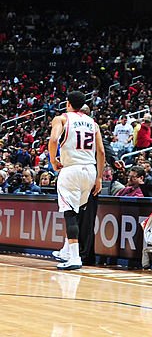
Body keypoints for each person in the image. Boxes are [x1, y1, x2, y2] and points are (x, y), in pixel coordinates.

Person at [48, 91, 104, 270]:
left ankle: (74, 258)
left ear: (68, 103)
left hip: (71, 169)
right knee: (77, 210)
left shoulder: (62, 118)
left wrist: (53, 160)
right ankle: (66, 250)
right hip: (90, 170)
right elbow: (101, 152)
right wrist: (100, 177)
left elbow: (54, 139)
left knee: (69, 214)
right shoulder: (93, 123)